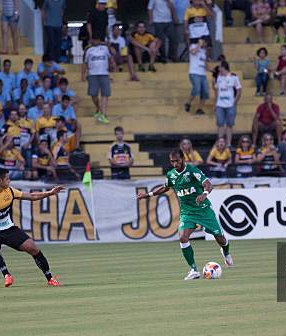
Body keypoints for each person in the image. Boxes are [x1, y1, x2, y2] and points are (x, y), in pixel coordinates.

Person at [137, 149, 233, 280]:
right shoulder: (171, 174)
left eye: (177, 161)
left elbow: (208, 184)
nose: (175, 164)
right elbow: (166, 187)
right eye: (172, 161)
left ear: (183, 159)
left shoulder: (192, 171)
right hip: (187, 212)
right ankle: (194, 270)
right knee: (183, 237)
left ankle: (226, 252)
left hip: (203, 210)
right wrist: (148, 195)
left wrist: (204, 194)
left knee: (219, 237)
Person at [0, 168, 63, 287]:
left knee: (33, 248)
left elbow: (32, 196)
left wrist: (50, 193)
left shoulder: (10, 191)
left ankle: (50, 278)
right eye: (7, 179)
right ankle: (7, 275)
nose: (9, 181)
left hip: (9, 229)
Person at [81, 37, 115, 124]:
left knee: (105, 94)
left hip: (104, 73)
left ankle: (103, 114)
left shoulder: (105, 48)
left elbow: (111, 57)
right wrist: (83, 74)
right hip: (92, 74)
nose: (95, 41)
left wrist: (113, 65)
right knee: (93, 94)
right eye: (94, 39)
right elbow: (85, 62)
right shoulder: (88, 50)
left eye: (97, 39)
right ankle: (98, 108)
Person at [214, 60, 242, 146]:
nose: (219, 69)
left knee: (229, 125)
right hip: (220, 105)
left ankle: (229, 143)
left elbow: (239, 90)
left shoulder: (234, 77)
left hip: (230, 105)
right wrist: (216, 103)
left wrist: (235, 102)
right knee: (220, 125)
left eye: (220, 67)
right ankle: (220, 143)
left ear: (223, 67)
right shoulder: (218, 77)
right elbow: (217, 91)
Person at [185, 38, 209, 115]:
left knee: (205, 92)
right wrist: (199, 45)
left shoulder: (204, 51)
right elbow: (193, 52)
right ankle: (188, 103)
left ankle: (199, 108)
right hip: (194, 72)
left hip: (202, 73)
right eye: (204, 42)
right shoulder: (193, 46)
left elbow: (205, 63)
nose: (205, 44)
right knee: (196, 88)